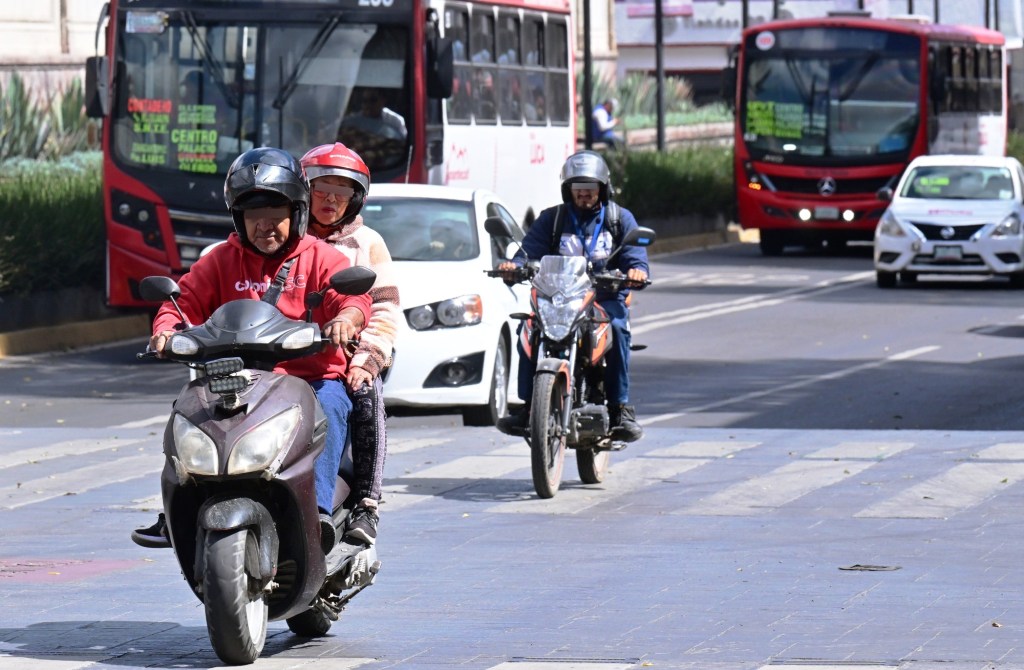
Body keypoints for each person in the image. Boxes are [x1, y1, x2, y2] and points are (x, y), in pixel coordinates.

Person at [131, 147, 371, 553]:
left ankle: (318, 514)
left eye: (275, 212)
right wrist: (166, 330)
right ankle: (179, 511)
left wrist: (346, 319)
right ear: (238, 219)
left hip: (310, 378)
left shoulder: (321, 257)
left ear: (296, 212)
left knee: (331, 405)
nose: (265, 225)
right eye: (253, 214)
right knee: (187, 410)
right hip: (236, 379)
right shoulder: (221, 259)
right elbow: (182, 302)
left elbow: (353, 301)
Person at [495, 150, 648, 442]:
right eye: (578, 190)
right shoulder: (552, 220)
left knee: (617, 329)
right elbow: (527, 254)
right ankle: (528, 407)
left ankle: (620, 409)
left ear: (603, 189)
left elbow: (636, 259)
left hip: (604, 300)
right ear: (568, 191)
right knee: (528, 329)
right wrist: (513, 267)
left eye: (590, 190)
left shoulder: (619, 219)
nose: (585, 196)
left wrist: (636, 272)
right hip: (559, 300)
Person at [300, 142, 400, 546]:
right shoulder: (284, 233)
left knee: (364, 397)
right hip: (281, 352)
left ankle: (365, 503)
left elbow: (386, 308)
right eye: (322, 190)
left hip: (348, 354)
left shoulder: (368, 242)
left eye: (341, 193)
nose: (330, 201)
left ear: (354, 198)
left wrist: (367, 358)